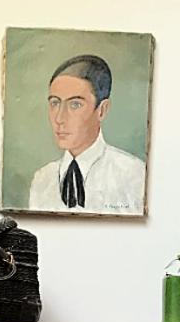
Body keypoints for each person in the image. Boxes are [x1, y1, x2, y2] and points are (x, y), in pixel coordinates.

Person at [28, 54, 146, 216]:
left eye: (75, 104)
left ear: (102, 110)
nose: (59, 118)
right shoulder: (42, 180)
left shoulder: (134, 176)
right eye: (55, 103)